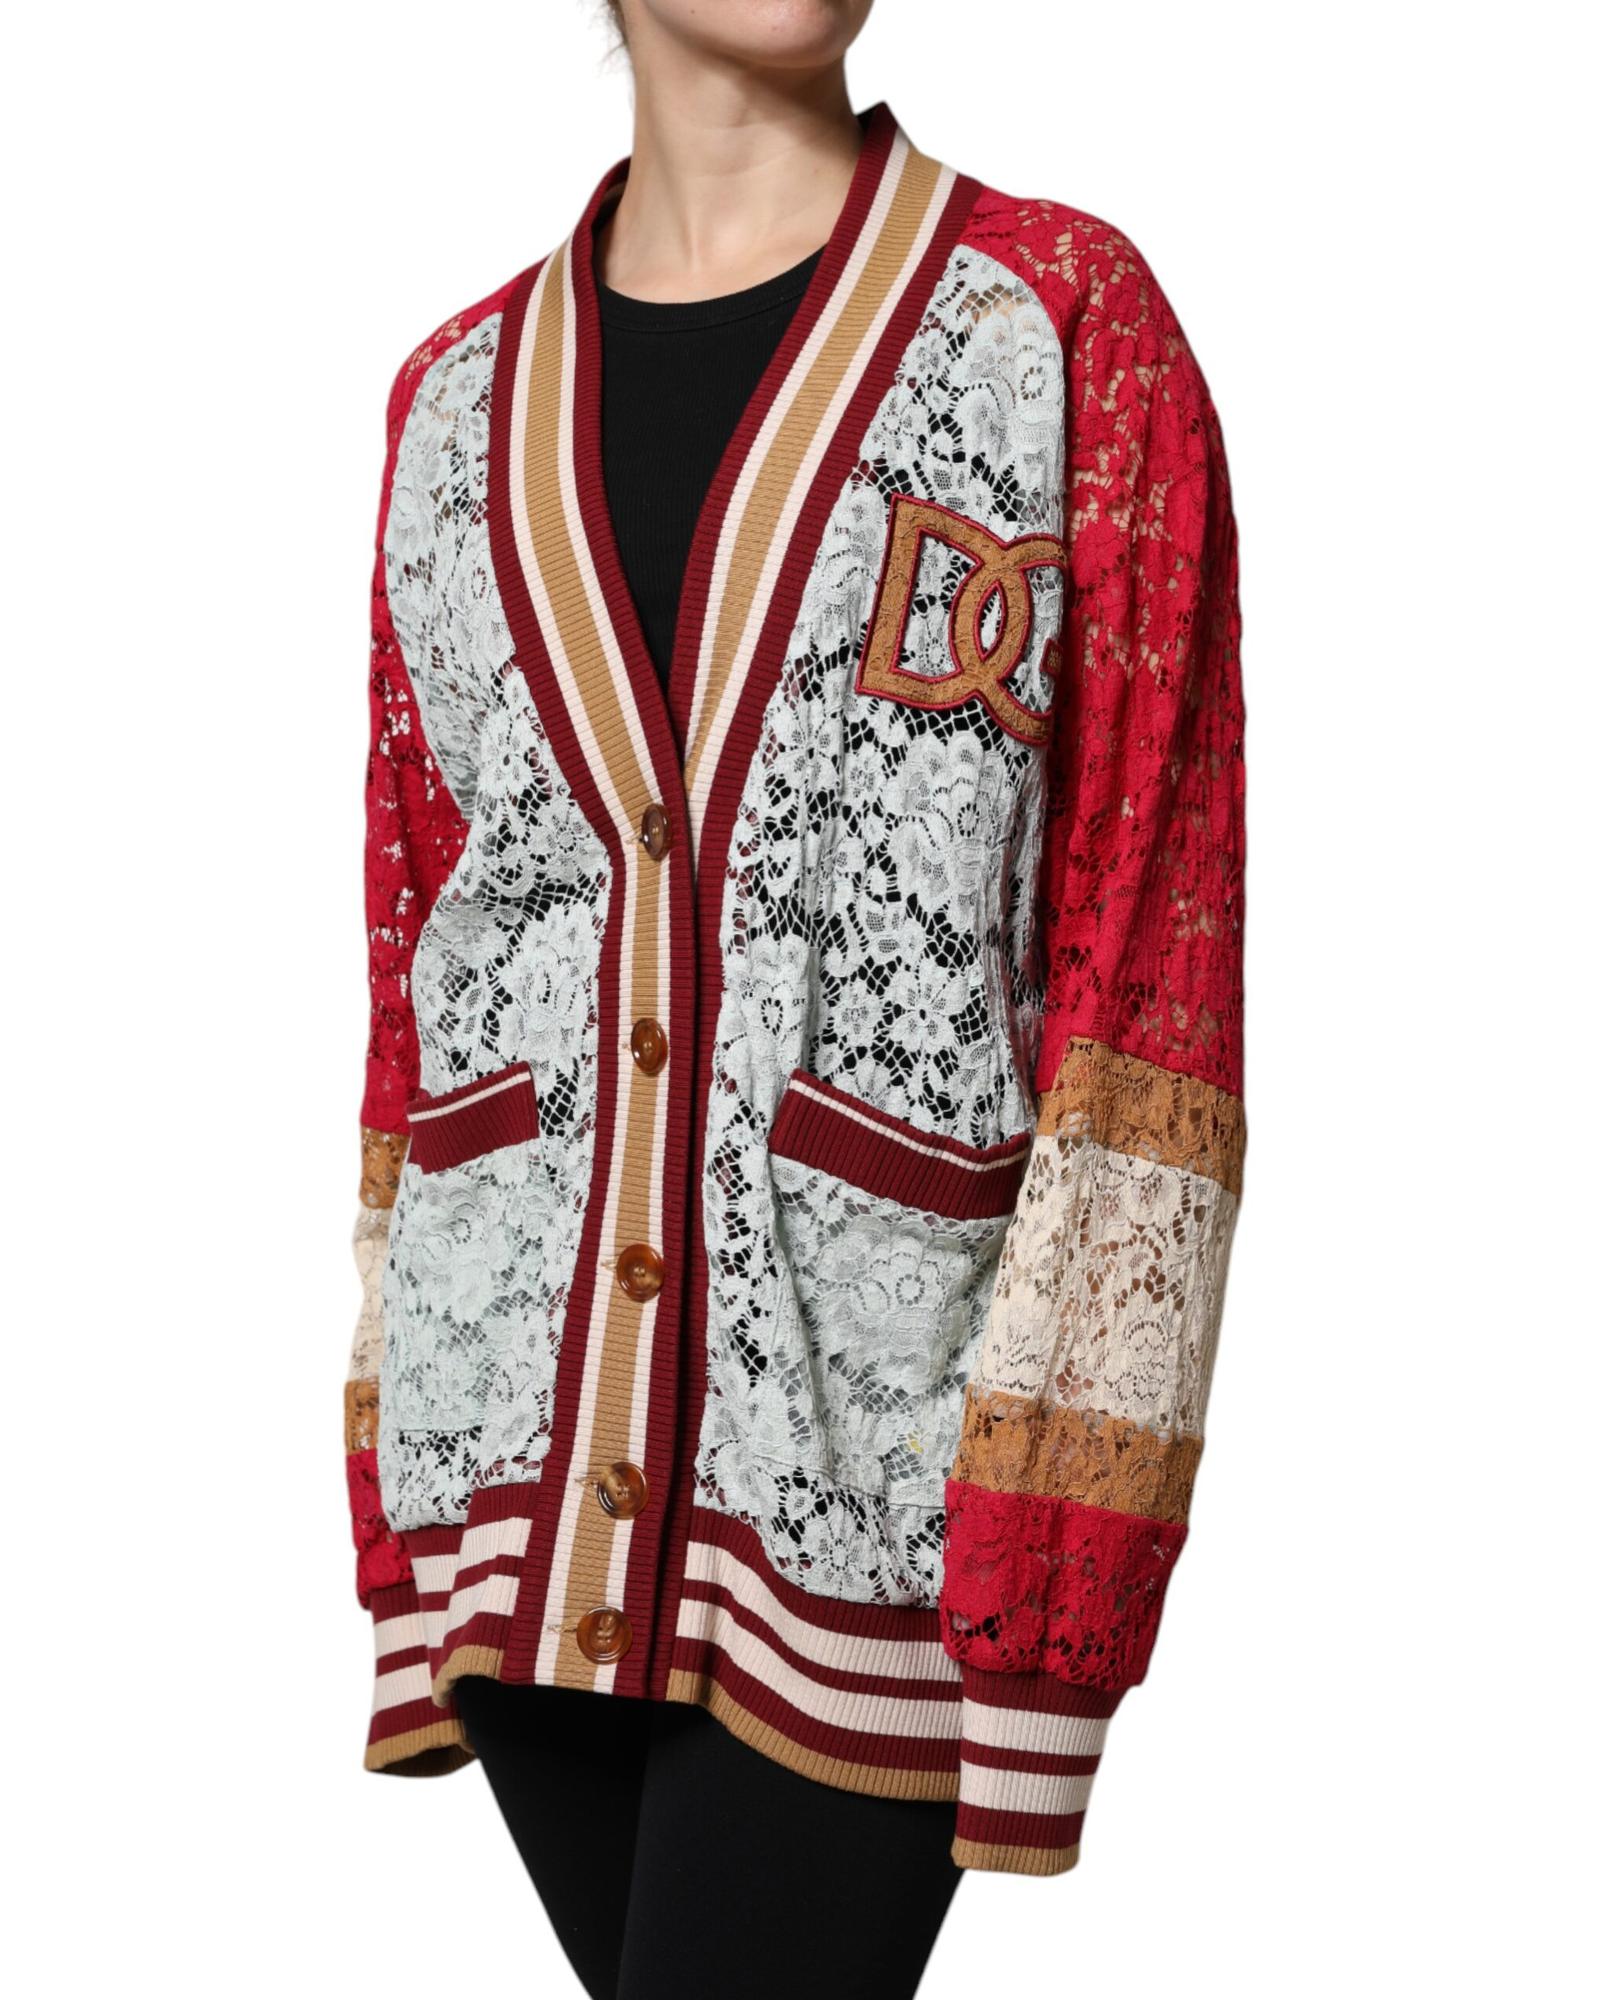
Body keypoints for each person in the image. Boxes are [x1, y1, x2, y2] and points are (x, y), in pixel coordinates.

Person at [341, 2, 1246, 1995]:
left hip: (887, 1480)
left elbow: (1146, 963)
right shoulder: (452, 405)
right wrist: (390, 1504)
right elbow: (425, 969)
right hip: (514, 1473)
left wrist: (1055, 1556)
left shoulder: (1053, 328)